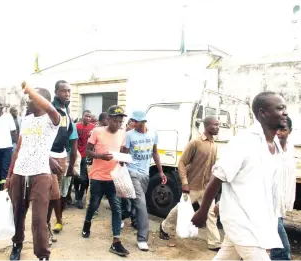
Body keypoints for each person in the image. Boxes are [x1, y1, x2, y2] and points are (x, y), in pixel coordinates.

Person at [191, 91, 288, 260]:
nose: (285, 112)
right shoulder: (244, 141)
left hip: (257, 221)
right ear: (263, 113)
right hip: (244, 223)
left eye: (285, 108)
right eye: (280, 108)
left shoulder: (275, 145)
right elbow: (218, 177)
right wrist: (203, 211)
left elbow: (254, 184)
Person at [5, 82, 60, 261]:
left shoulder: (53, 119)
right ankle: (17, 244)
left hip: (41, 175)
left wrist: (30, 91)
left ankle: (42, 255)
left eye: (31, 98)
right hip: (20, 173)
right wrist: (9, 175)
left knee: (38, 219)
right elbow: (18, 149)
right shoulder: (26, 120)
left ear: (41, 100)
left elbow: (51, 109)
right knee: (17, 213)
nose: (28, 101)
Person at [160, 116, 221, 251]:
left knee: (211, 214)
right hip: (192, 186)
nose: (218, 127)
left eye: (218, 125)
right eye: (215, 125)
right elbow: (181, 163)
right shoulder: (196, 142)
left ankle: (214, 243)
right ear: (207, 126)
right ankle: (164, 227)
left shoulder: (214, 144)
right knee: (180, 209)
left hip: (206, 187)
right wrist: (185, 182)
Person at [82, 105, 129, 257]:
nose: (118, 124)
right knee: (94, 204)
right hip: (97, 177)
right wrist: (101, 156)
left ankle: (116, 241)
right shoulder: (97, 131)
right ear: (108, 119)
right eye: (115, 121)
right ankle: (87, 222)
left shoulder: (122, 134)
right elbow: (87, 151)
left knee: (116, 208)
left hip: (113, 178)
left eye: (120, 122)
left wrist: (123, 160)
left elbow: (121, 151)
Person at [122, 110, 167, 251]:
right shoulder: (129, 135)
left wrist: (160, 172)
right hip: (132, 172)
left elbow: (154, 152)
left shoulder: (153, 134)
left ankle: (122, 216)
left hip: (145, 174)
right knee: (141, 204)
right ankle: (142, 238)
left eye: (135, 121)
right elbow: (124, 155)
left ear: (142, 122)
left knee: (134, 202)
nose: (132, 123)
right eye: (132, 121)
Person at [47, 80, 78, 236]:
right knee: (52, 192)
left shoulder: (66, 110)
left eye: (69, 91)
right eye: (64, 91)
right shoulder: (50, 109)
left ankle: (58, 221)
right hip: (49, 157)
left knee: (56, 193)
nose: (67, 94)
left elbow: (71, 139)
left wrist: (71, 164)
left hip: (61, 156)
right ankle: (47, 225)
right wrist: (47, 156)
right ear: (56, 92)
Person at [270, 116, 296, 260]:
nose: (279, 132)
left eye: (283, 129)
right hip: (269, 204)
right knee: (282, 248)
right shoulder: (269, 147)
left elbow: (289, 177)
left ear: (290, 131)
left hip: (279, 204)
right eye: (276, 129)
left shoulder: (289, 148)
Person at [75, 110, 94, 209]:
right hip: (78, 155)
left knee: (85, 180)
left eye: (89, 117)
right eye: (86, 116)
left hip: (87, 156)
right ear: (82, 116)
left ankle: (79, 198)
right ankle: (77, 198)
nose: (87, 118)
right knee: (77, 178)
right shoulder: (77, 126)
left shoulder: (92, 128)